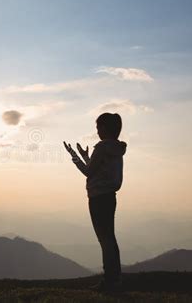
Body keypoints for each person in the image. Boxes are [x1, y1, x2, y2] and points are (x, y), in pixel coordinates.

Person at [63, 112, 126, 292]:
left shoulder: (102, 147)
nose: (97, 131)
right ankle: (115, 279)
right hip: (110, 197)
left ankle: (109, 281)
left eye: (98, 127)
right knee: (110, 239)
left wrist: (74, 156)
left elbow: (89, 172)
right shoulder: (115, 148)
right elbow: (98, 170)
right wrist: (85, 156)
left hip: (98, 198)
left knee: (104, 240)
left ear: (105, 128)